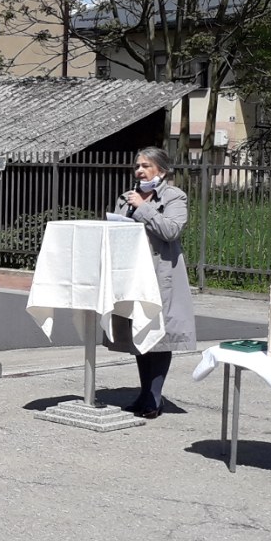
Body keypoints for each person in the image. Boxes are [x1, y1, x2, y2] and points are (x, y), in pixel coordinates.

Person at [107, 146, 196, 419]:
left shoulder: (174, 197)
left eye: (146, 166)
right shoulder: (126, 197)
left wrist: (143, 208)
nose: (139, 171)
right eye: (137, 166)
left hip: (160, 275)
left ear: (162, 170)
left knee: (159, 335)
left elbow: (171, 230)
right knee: (140, 333)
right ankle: (144, 393)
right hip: (133, 274)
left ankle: (155, 398)